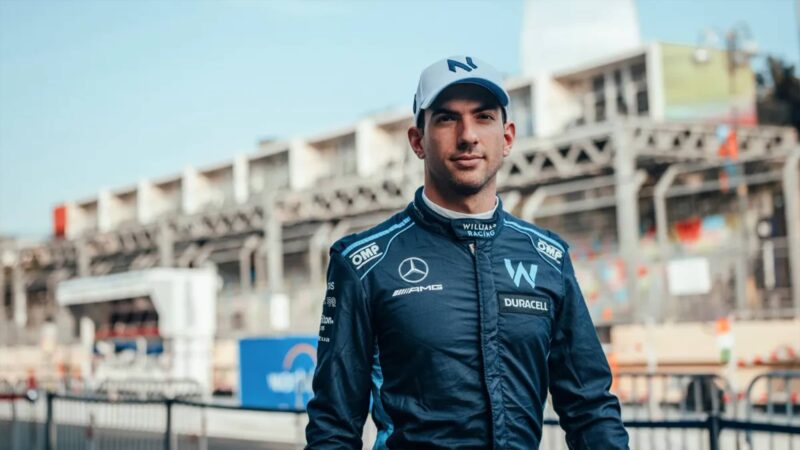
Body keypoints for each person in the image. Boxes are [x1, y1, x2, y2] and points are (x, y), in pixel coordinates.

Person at [305, 55, 629, 449]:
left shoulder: (548, 257)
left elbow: (590, 407)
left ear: (507, 137)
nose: (467, 135)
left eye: (483, 117)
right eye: (446, 118)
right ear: (417, 141)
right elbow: (333, 428)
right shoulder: (365, 262)